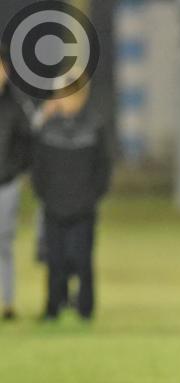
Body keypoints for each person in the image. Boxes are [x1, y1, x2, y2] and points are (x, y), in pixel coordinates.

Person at [31, 79, 111, 321]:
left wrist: (91, 197)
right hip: (53, 206)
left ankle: (85, 309)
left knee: (83, 260)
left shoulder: (95, 127)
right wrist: (45, 195)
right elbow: (38, 167)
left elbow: (103, 169)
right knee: (54, 261)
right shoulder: (47, 128)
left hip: (83, 208)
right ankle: (53, 308)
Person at [0, 59, 31, 320]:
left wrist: (19, 171)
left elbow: (27, 141)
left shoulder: (16, 105)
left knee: (4, 242)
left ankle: (7, 302)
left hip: (6, 184)